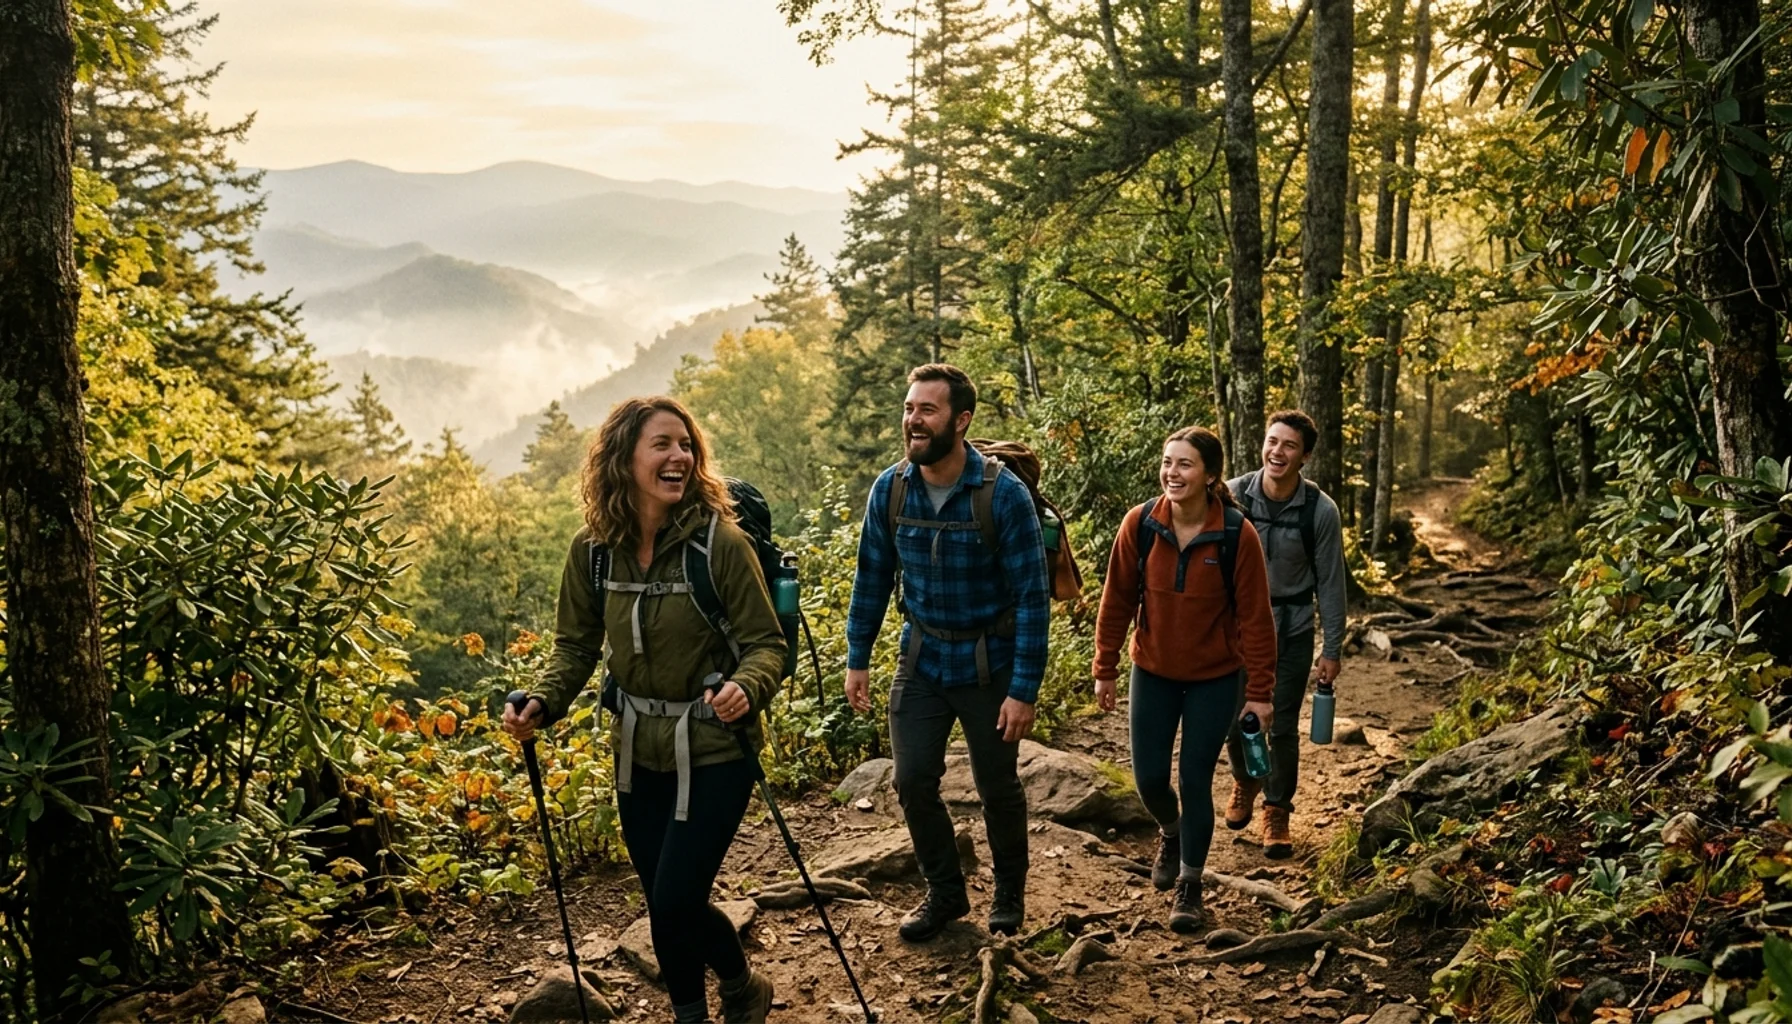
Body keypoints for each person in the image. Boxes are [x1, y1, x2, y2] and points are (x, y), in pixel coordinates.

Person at [502, 397, 786, 1024]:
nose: (679, 456)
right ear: (623, 458)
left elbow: (767, 644)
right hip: (637, 752)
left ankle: (717, 1001)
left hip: (715, 748)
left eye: (685, 445)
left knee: (677, 895)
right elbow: (574, 647)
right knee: (666, 902)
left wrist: (747, 685)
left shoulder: (721, 544)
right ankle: (728, 992)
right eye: (662, 445)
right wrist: (542, 700)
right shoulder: (595, 552)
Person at [844, 364, 1051, 942]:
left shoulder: (1002, 496)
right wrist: (857, 657)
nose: (913, 420)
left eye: (926, 410)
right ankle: (945, 892)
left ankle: (1009, 890)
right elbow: (872, 578)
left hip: (991, 664)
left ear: (960, 421)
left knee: (996, 787)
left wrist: (1023, 690)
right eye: (910, 408)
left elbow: (1034, 598)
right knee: (912, 781)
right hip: (922, 659)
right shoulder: (892, 488)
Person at [1091, 426, 1277, 934]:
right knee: (1150, 779)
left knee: (1194, 779)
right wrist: (1104, 667)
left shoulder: (1237, 534)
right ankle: (1171, 833)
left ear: (1210, 474)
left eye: (1185, 464)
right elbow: (1117, 601)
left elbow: (1257, 620)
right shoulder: (1142, 524)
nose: (1172, 473)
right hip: (1152, 671)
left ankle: (1191, 884)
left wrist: (1260, 694)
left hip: (1216, 678)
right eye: (1167, 462)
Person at [1225, 410, 1349, 859]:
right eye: (1272, 441)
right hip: (1236, 632)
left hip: (1293, 630)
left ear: (1306, 456)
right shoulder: (1233, 495)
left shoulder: (1320, 510)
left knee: (1280, 725)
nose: (1277, 451)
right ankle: (1245, 780)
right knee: (1234, 721)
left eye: (1289, 446)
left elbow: (1332, 583)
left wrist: (1331, 649)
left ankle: (1276, 811)